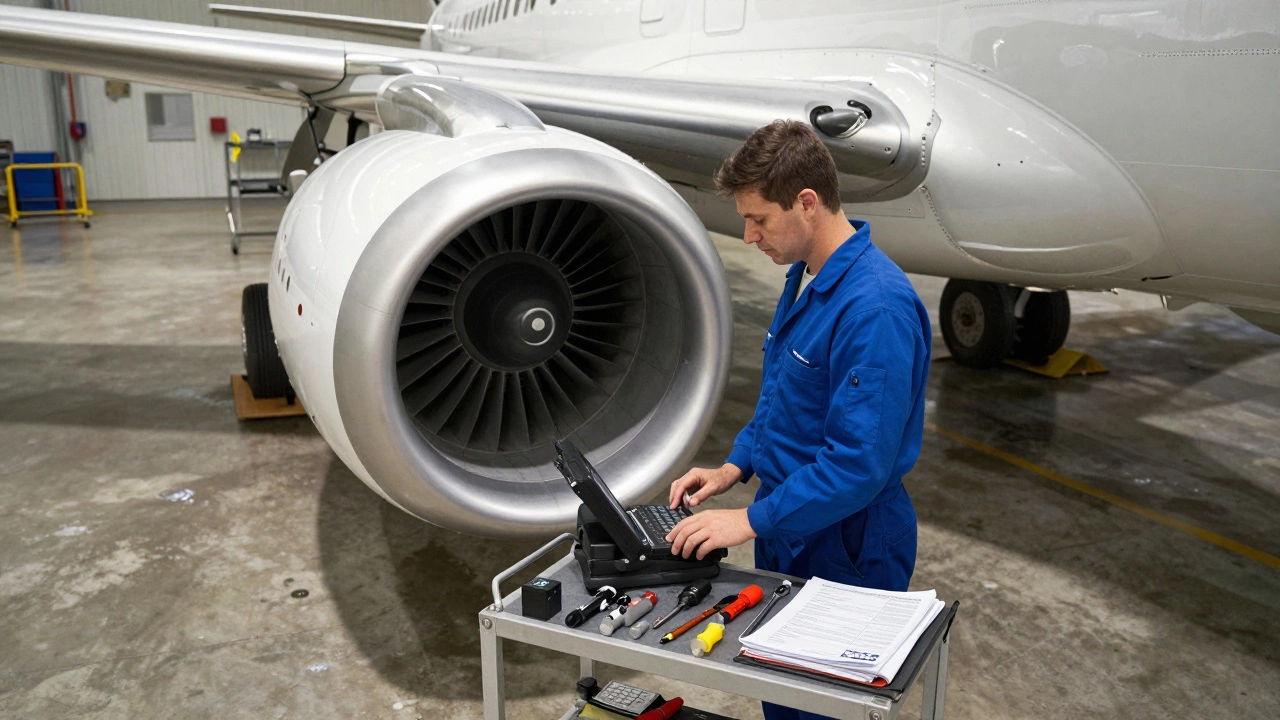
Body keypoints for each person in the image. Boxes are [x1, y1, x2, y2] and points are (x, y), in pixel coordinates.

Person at [664, 120, 931, 719]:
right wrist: (733, 467)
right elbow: (783, 400)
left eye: (759, 218)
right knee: (783, 699)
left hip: (847, 544)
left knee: (822, 709)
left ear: (806, 203)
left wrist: (748, 521)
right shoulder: (805, 276)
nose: (747, 233)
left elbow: (857, 466)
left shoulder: (875, 308)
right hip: (791, 527)